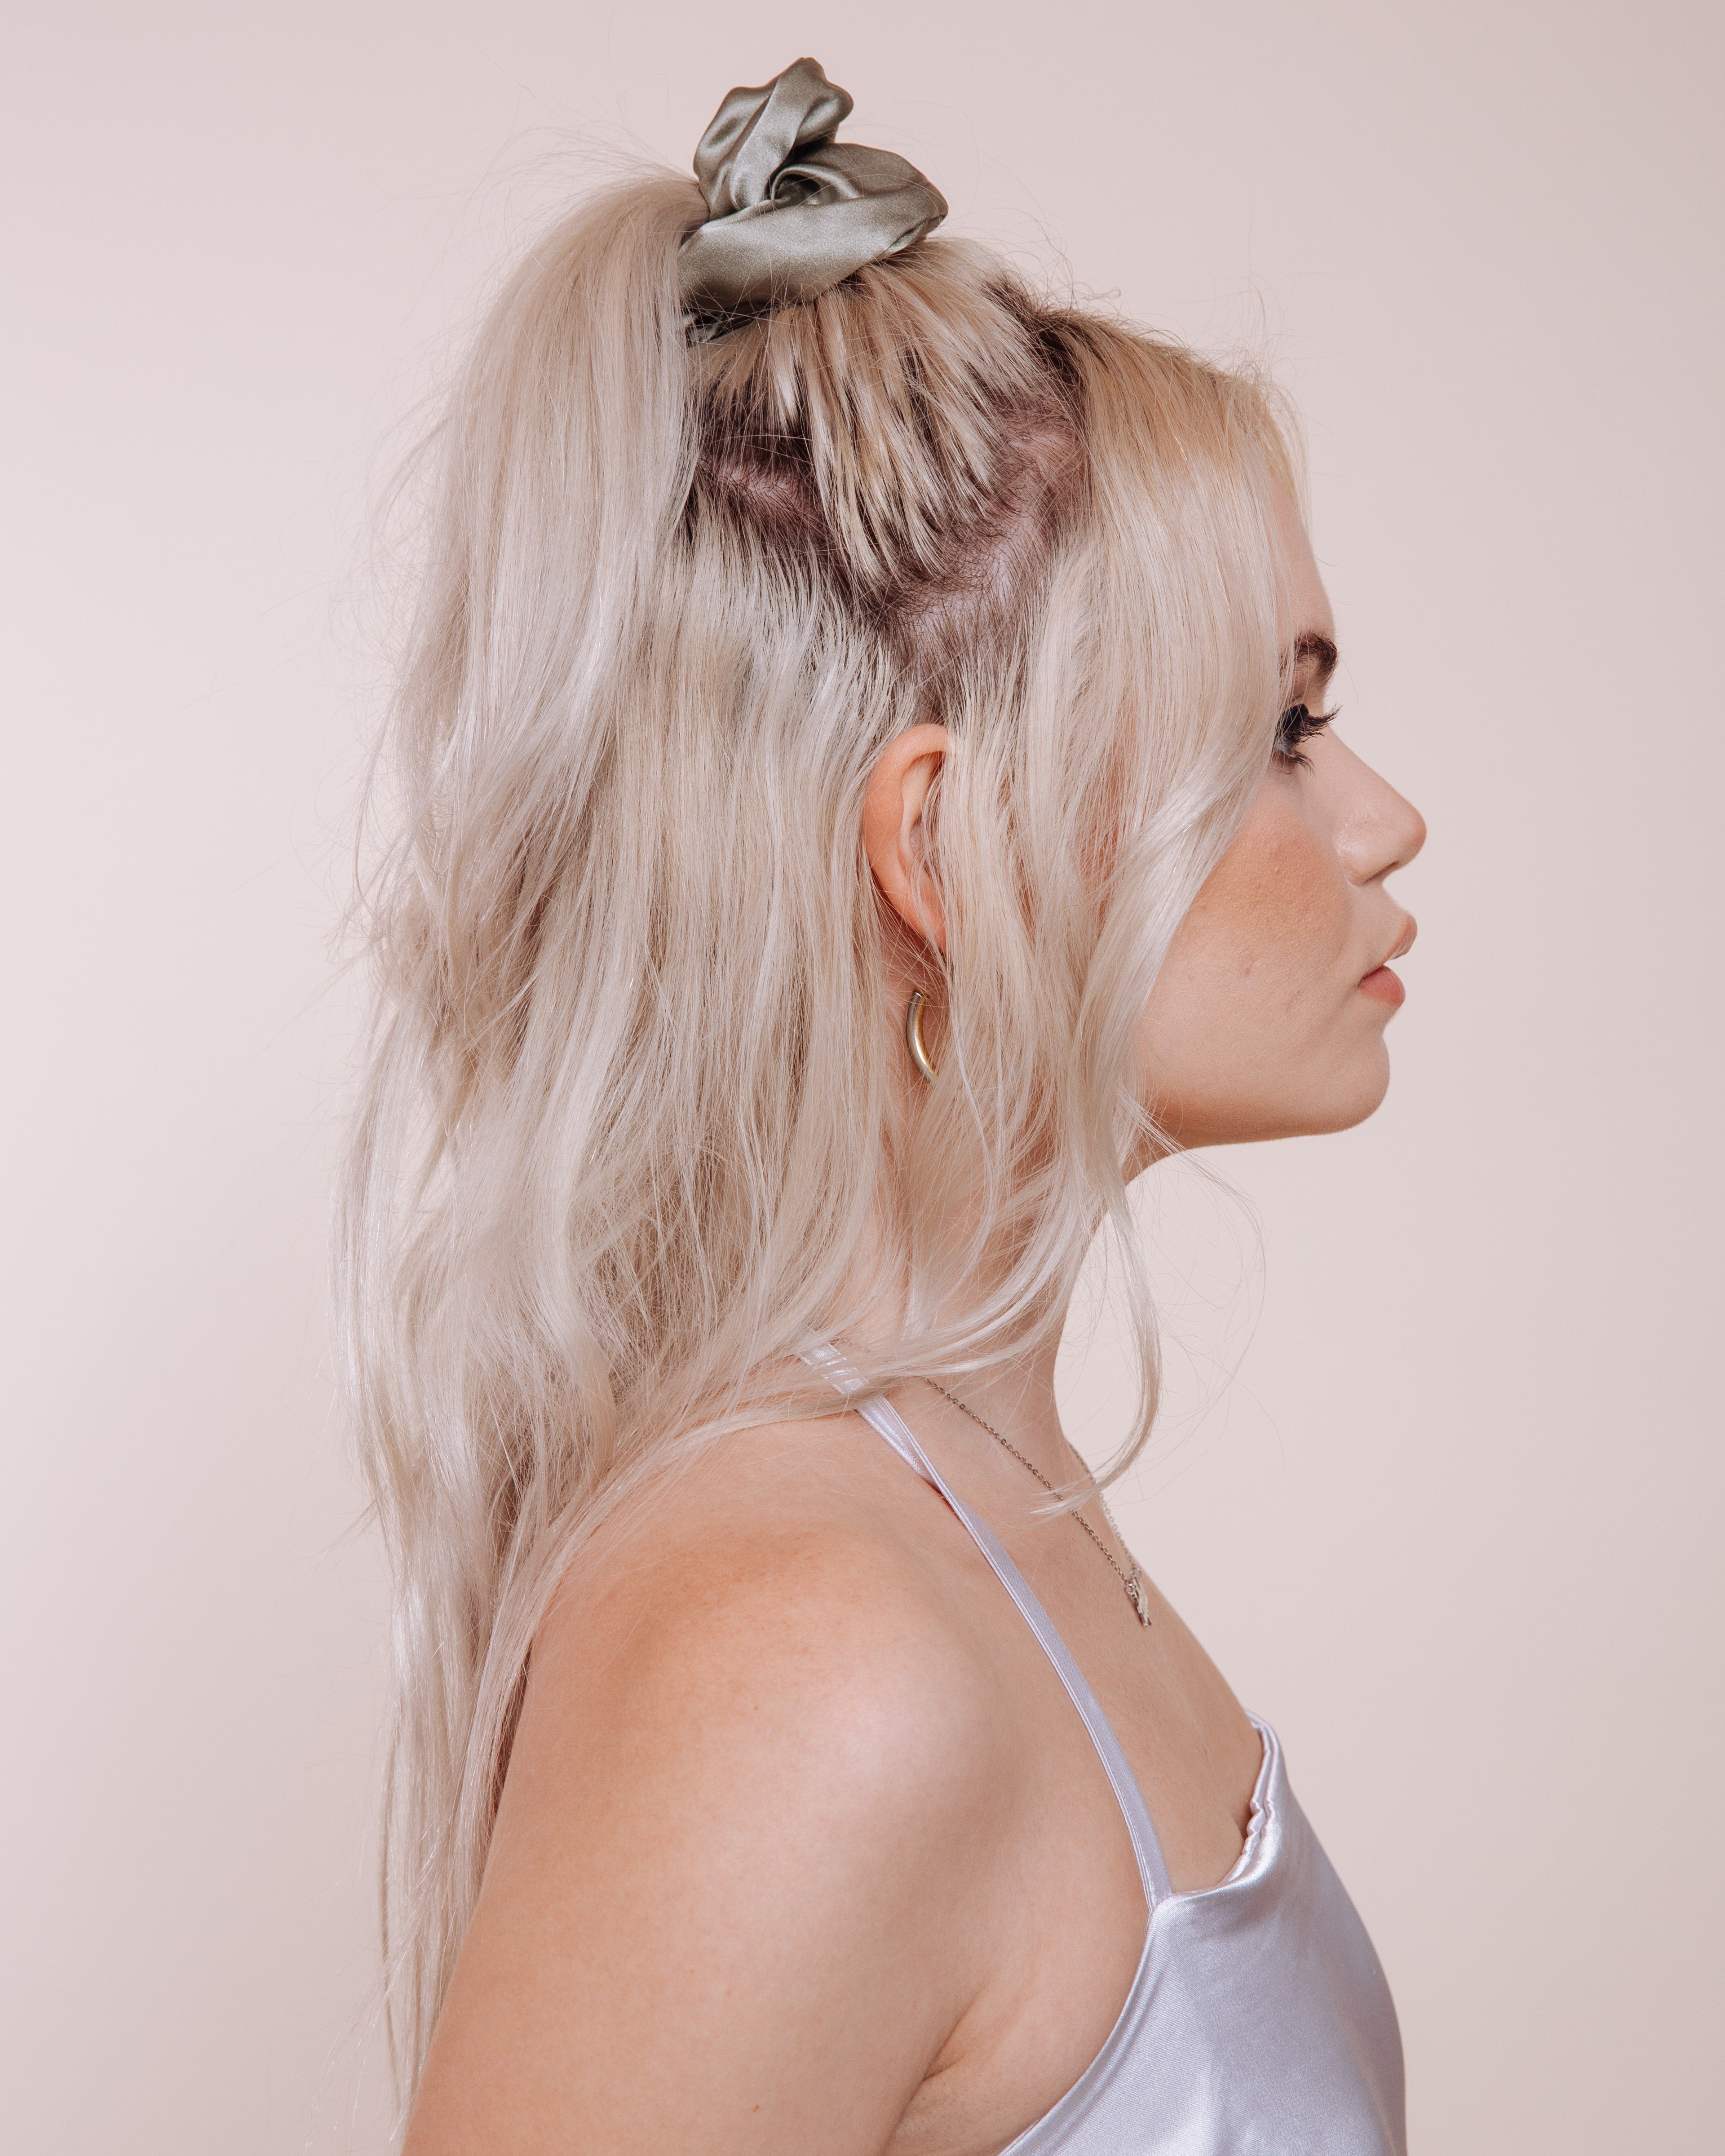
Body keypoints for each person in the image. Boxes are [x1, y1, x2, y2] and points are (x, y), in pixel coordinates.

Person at [342, 57, 1426, 2156]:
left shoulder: (989, 1510)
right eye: (1282, 732)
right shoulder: (806, 1658)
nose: (1383, 819)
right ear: (947, 853)